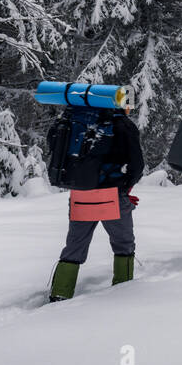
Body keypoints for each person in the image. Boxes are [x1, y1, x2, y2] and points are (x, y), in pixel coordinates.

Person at [49, 105, 145, 302]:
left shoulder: (73, 119)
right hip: (113, 194)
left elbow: (54, 146)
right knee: (124, 245)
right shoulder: (123, 124)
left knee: (75, 245)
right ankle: (123, 291)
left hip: (80, 194)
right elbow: (137, 164)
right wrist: (125, 189)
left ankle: (59, 294)